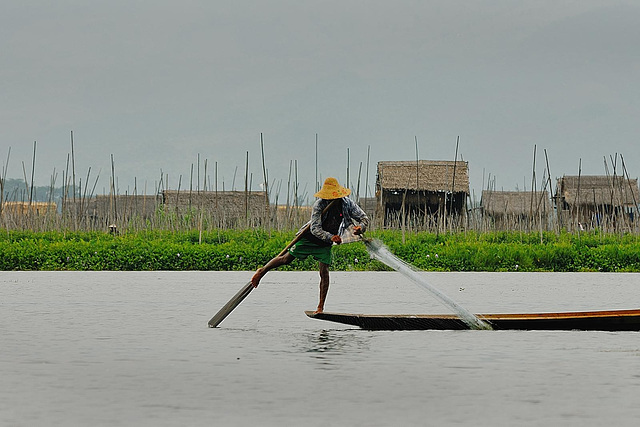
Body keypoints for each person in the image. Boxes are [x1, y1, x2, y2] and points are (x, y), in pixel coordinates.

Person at [251, 177, 370, 314]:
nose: (333, 198)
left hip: (325, 243)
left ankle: (320, 307)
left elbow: (364, 218)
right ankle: (262, 271)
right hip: (310, 238)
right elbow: (315, 229)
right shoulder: (319, 205)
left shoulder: (346, 203)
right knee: (286, 259)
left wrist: (360, 228)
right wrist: (330, 236)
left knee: (324, 272)